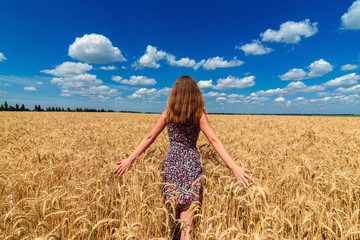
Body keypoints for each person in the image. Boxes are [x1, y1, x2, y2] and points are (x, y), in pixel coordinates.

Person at [114, 76, 255, 240]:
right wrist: (234, 167)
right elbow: (214, 140)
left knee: (176, 206)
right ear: (195, 94)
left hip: (172, 162)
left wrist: (130, 158)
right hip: (190, 163)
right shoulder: (198, 114)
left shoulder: (169, 112)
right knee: (187, 215)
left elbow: (150, 137)